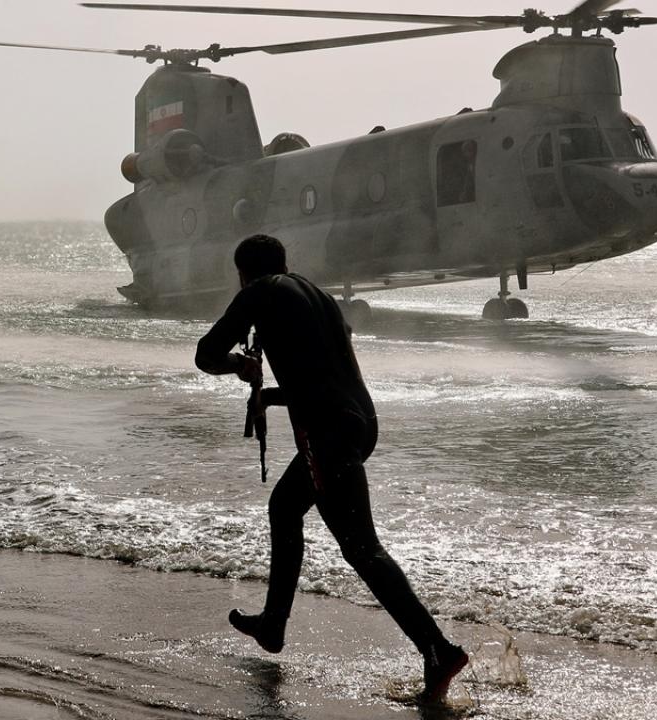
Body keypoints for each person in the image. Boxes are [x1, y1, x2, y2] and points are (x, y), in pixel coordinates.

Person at [195, 235, 468, 705]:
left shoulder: (258, 292)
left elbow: (205, 354)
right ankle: (273, 624)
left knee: (362, 549)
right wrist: (272, 396)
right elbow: (321, 378)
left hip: (328, 432)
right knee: (284, 508)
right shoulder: (315, 294)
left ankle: (437, 650)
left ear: (242, 272)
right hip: (360, 424)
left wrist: (239, 365)